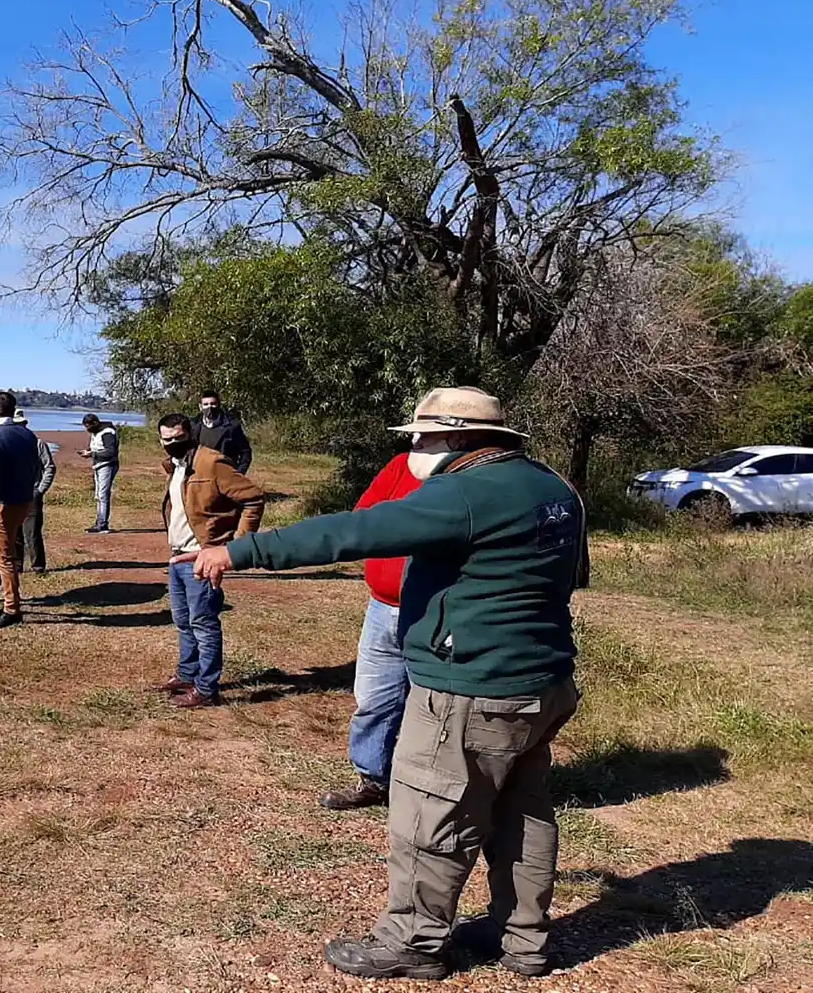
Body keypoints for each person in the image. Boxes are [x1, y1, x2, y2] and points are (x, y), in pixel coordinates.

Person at [176, 387, 588, 981]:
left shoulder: (464, 492)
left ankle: (413, 942)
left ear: (456, 438)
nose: (415, 447)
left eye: (421, 436)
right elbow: (573, 576)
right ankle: (522, 939)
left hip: (468, 688)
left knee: (428, 817)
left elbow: (357, 531)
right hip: (542, 681)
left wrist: (241, 551)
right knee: (521, 812)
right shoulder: (552, 487)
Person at [320, 451, 423, 811]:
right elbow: (363, 520)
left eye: (427, 434)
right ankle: (374, 779)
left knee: (435, 707)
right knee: (374, 698)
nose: (418, 440)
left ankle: (429, 787)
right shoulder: (402, 465)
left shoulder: (469, 479)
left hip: (434, 611)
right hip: (382, 606)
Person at [149, 413, 265, 709]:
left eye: (178, 437)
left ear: (190, 434)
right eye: (167, 439)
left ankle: (206, 688)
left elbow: (253, 498)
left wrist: (236, 547)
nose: (172, 443)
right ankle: (187, 674)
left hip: (202, 557)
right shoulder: (176, 465)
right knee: (183, 621)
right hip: (178, 556)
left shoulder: (211, 463)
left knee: (203, 623)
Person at [0, 391, 42, 629]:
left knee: (3, 556)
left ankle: (12, 608)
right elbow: (35, 467)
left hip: (2, 503)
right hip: (23, 500)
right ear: (13, 410)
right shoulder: (27, 434)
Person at [10, 410, 56, 575]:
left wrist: (40, 490)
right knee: (14, 532)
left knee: (32, 532)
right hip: (12, 494)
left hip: (32, 493)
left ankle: (38, 566)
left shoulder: (38, 444)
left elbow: (49, 467)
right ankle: (17, 566)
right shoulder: (8, 444)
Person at [190, 390, 253, 474]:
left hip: (225, 473)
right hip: (200, 474)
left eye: (213, 404)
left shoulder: (232, 426)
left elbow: (245, 452)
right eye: (206, 404)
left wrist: (239, 473)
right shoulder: (193, 425)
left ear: (218, 405)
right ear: (200, 406)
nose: (209, 407)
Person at [77, 413, 119, 533]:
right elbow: (97, 447)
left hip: (108, 465)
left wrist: (92, 454)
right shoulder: (95, 433)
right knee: (99, 495)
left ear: (95, 423)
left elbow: (111, 452)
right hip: (98, 465)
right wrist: (88, 451)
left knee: (103, 495)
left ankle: (102, 524)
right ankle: (99, 521)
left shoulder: (108, 433)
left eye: (88, 426)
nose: (87, 429)